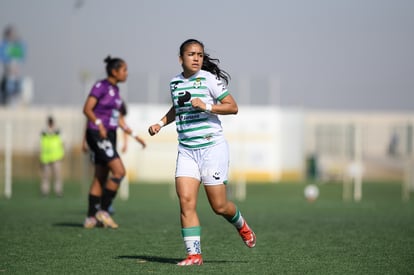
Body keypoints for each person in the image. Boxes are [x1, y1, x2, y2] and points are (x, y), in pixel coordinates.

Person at [148, 39, 256, 266]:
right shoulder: (175, 83)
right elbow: (177, 109)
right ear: (181, 58)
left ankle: (241, 225)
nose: (196, 58)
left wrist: (206, 106)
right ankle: (194, 255)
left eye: (199, 54)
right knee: (186, 201)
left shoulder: (209, 79)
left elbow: (232, 107)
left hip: (211, 149)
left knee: (219, 206)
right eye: (191, 54)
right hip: (186, 150)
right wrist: (160, 123)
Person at [82, 55, 146, 229]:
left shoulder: (116, 92)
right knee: (119, 172)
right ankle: (103, 210)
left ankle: (90, 217)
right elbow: (87, 109)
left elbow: (118, 120)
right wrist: (98, 125)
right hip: (97, 134)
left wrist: (135, 135)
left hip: (109, 135)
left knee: (100, 176)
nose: (127, 73)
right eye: (124, 70)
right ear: (114, 71)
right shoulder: (100, 86)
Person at [0, 25, 26, 106]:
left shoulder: (17, 47)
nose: (12, 36)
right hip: (7, 75)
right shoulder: (4, 46)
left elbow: (20, 58)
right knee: (8, 89)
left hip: (16, 76)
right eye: (10, 34)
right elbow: (5, 59)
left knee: (18, 90)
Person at [39, 115, 65, 197]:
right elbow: (41, 144)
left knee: (57, 176)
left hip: (56, 157)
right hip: (46, 158)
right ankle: (45, 191)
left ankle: (58, 191)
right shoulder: (44, 132)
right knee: (46, 176)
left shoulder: (58, 132)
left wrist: (62, 154)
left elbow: (62, 143)